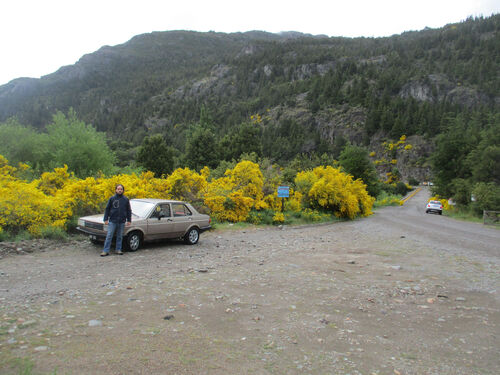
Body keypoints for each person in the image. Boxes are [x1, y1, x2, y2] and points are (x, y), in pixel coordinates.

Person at [101, 184, 132, 256]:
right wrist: (105, 219)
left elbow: (128, 210)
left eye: (121, 189)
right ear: (116, 190)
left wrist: (129, 220)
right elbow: (107, 209)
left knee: (120, 236)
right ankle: (105, 251)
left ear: (123, 190)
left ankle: (118, 249)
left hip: (122, 221)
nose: (120, 190)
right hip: (112, 221)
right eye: (118, 189)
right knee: (109, 236)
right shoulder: (112, 198)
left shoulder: (126, 199)